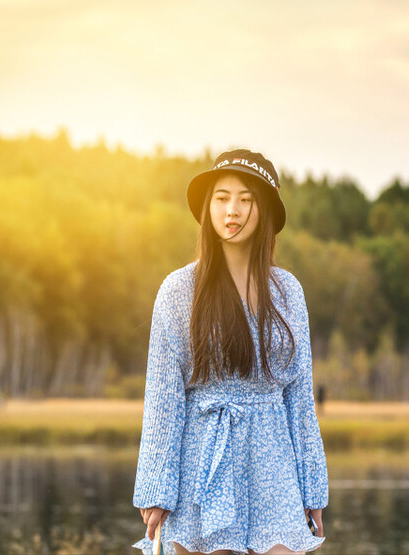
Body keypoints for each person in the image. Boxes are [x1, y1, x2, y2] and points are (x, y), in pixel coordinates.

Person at [132, 149, 328, 555]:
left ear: (265, 210)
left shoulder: (288, 291)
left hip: (273, 464)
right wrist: (155, 488)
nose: (232, 210)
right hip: (203, 461)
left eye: (245, 198)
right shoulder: (179, 290)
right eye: (221, 198)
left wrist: (313, 487)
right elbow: (164, 397)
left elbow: (299, 397)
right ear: (208, 208)